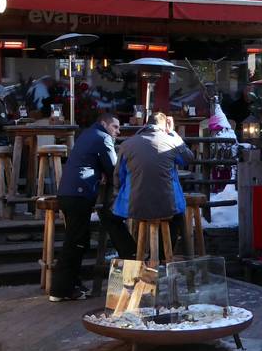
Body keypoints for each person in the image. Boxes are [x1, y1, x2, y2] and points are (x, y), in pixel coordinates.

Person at [53, 113, 136, 302]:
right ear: (104, 124)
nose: (118, 131)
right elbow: (114, 169)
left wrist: (100, 172)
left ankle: (72, 285)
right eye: (115, 127)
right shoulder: (103, 138)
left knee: (77, 240)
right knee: (75, 242)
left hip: (68, 192)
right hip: (79, 193)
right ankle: (60, 290)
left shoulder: (87, 134)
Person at [113, 112, 194, 253]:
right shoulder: (172, 141)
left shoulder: (127, 145)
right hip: (167, 206)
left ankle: (133, 253)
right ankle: (163, 256)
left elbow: (119, 176)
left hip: (135, 206)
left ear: (146, 124)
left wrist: (119, 191)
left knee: (114, 217)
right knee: (177, 217)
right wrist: (173, 133)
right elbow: (188, 159)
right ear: (165, 126)